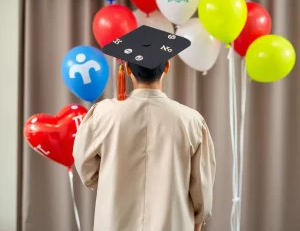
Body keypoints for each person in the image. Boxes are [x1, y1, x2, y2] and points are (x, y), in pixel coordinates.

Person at [73, 25, 216, 231]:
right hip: (173, 223)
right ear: (167, 67)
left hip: (115, 222)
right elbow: (201, 187)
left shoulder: (102, 114)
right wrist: (198, 219)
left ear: (128, 69)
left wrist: (111, 177)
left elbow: (86, 170)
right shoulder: (191, 120)